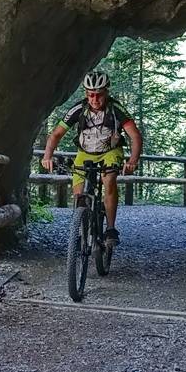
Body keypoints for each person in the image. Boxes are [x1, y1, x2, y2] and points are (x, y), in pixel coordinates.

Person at [41, 70, 142, 246]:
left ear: (106, 92)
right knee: (79, 194)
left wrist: (132, 161)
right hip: (85, 152)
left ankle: (110, 229)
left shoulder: (115, 109)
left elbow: (135, 136)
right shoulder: (79, 109)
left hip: (110, 151)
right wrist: (47, 156)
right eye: (90, 95)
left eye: (99, 95)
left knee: (109, 180)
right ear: (86, 94)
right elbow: (56, 134)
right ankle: (82, 228)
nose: (94, 99)